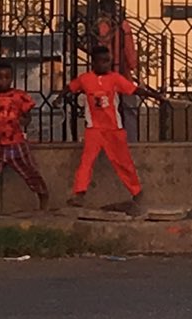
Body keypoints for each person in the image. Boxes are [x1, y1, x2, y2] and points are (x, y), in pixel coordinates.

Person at [57, 45, 166, 210]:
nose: (106, 65)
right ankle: (79, 193)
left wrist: (155, 96)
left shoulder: (115, 79)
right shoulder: (85, 79)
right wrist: (59, 98)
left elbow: (135, 90)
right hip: (94, 129)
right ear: (94, 63)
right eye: (102, 62)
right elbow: (70, 87)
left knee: (123, 162)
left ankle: (136, 192)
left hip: (114, 128)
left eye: (108, 62)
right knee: (86, 161)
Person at [0, 62, 50, 217]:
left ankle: (43, 196)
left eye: (6, 77)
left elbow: (27, 116)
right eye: (0, 77)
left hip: (16, 142)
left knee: (30, 172)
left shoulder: (19, 96)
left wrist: (23, 122)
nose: (3, 81)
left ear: (11, 78)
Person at [96, 0, 140, 142]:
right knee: (129, 109)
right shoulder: (123, 26)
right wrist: (133, 66)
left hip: (105, 74)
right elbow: (129, 50)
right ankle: (130, 141)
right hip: (122, 72)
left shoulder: (101, 26)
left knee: (106, 109)